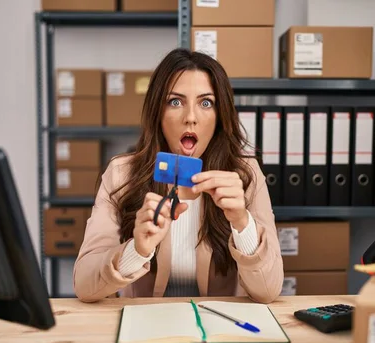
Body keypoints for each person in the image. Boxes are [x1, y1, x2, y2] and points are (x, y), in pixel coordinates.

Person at [73, 48, 283, 304]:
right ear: (157, 113)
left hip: (221, 330)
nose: (190, 118)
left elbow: (269, 291)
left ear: (220, 116)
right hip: (144, 327)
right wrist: (136, 250)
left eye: (206, 103)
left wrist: (242, 222)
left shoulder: (245, 176)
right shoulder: (122, 173)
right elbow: (84, 286)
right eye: (175, 101)